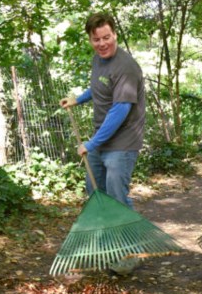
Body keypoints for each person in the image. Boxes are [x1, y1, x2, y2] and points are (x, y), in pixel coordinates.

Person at [59, 12, 146, 209]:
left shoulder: (126, 67)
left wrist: (91, 144)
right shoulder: (98, 60)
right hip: (102, 137)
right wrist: (77, 100)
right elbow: (100, 86)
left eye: (106, 37)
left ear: (115, 35)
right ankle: (108, 235)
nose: (102, 44)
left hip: (123, 140)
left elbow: (120, 110)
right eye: (96, 39)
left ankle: (130, 239)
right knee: (95, 189)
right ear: (90, 39)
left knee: (117, 197)